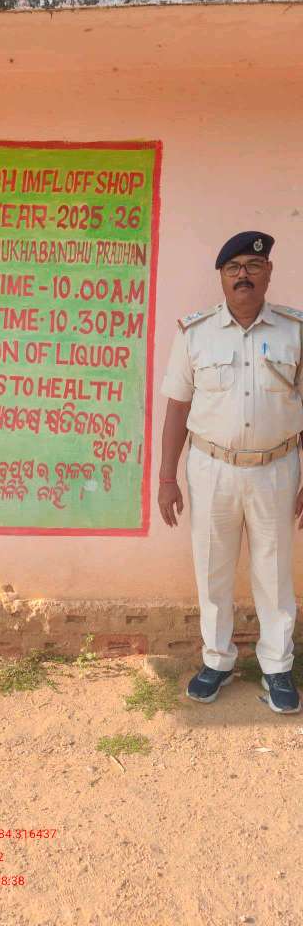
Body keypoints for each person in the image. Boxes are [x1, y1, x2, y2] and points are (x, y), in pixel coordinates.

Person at [158, 230, 303, 714]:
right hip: (211, 469)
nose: (244, 275)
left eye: (253, 266)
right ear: (221, 277)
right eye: (233, 268)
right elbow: (177, 408)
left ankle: (277, 667)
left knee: (274, 572)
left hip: (276, 468)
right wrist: (167, 478)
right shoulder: (195, 333)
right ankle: (216, 661)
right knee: (212, 568)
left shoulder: (295, 331)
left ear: (268, 273)